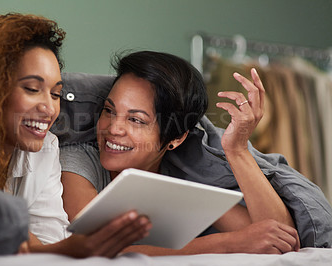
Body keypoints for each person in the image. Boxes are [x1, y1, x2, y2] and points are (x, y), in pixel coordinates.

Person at [0, 13, 151, 258]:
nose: (49, 109)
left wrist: (51, 247)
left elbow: (50, 238)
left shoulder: (46, 149)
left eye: (56, 94)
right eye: (32, 89)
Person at [60, 51, 303, 255]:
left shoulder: (182, 179)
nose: (113, 128)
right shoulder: (78, 160)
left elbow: (280, 238)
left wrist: (237, 150)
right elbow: (94, 246)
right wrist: (228, 243)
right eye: (109, 110)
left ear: (176, 138)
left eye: (136, 119)